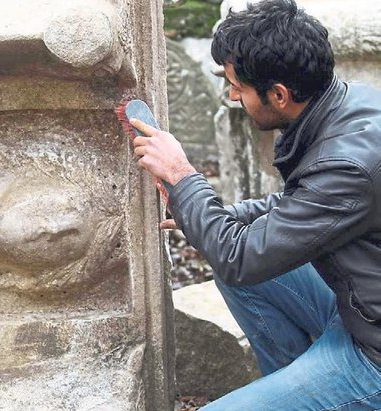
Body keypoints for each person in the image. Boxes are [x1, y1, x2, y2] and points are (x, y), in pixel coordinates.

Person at [130, 0, 381, 408]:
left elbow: (240, 257)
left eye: (239, 87)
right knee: (244, 271)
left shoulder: (347, 164)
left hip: (373, 353)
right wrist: (215, 216)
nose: (231, 94)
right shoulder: (348, 106)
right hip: (359, 309)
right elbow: (301, 205)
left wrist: (182, 176)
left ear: (279, 94)